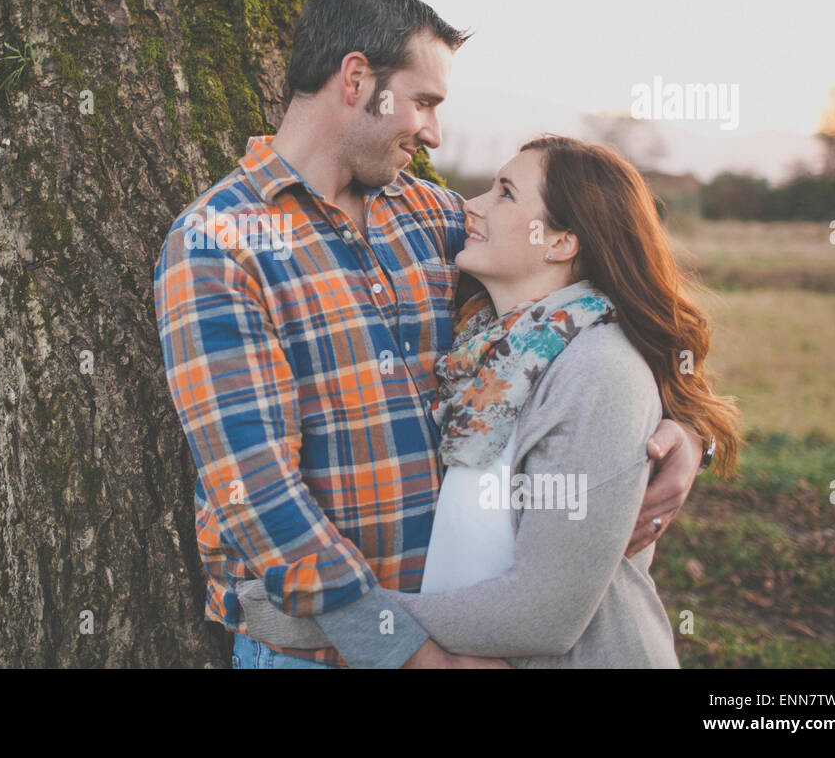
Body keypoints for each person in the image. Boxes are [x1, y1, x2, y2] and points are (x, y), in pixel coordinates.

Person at [153, 0, 711, 670]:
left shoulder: (432, 216)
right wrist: (407, 650)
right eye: (424, 102)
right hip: (318, 653)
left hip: (465, 629)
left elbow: (591, 303)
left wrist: (680, 433)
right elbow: (255, 487)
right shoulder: (220, 241)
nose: (434, 132)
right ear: (357, 79)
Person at [236, 136, 742, 666]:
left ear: (562, 242)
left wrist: (330, 620)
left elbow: (543, 615)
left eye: (505, 193)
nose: (471, 206)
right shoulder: (490, 352)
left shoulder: (597, 370)